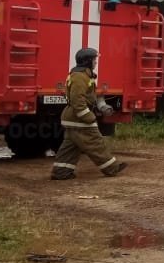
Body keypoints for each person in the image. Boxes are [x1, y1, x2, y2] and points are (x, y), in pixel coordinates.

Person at [51, 47, 127, 180]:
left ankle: (61, 172)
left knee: (70, 147)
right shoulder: (80, 77)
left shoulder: (81, 75)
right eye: (94, 59)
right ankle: (111, 167)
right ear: (87, 61)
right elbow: (77, 100)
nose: (96, 62)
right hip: (79, 118)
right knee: (95, 142)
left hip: (72, 118)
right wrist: (88, 117)